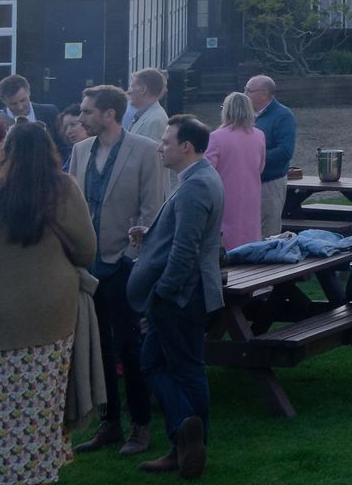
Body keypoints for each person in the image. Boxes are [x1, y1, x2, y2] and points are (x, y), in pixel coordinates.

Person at [0, 122, 96, 485]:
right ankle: (39, 471)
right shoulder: (63, 189)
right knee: (44, 405)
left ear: (7, 151)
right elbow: (86, 251)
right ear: (49, 150)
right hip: (52, 317)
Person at [68, 84, 167, 459]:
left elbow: (152, 208)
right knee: (98, 347)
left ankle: (140, 424)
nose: (81, 117)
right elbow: (73, 205)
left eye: (87, 111)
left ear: (109, 114)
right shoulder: (80, 151)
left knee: (129, 345)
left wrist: (128, 257)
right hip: (87, 267)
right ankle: (109, 423)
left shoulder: (145, 150)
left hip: (123, 265)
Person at [127, 117, 223, 481]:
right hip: (185, 292)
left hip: (182, 296)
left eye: (166, 141)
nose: (159, 147)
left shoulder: (196, 185)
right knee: (157, 363)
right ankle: (184, 443)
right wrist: (151, 233)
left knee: (183, 368)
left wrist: (162, 293)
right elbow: (184, 236)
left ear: (186, 147)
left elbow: (186, 251)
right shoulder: (199, 177)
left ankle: (186, 431)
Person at [203, 92, 266, 251]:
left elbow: (207, 171)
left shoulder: (215, 137)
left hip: (225, 194)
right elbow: (261, 167)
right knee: (249, 233)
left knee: (226, 237)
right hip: (251, 194)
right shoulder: (259, 136)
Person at [245, 76, 296, 240]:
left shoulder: (283, 115)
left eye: (249, 91)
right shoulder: (247, 116)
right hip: (248, 182)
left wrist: (253, 158)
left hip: (270, 182)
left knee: (269, 232)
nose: (245, 94)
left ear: (264, 94)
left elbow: (285, 151)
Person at [125, 69, 168, 142]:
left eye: (132, 86)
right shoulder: (145, 115)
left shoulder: (156, 120)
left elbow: (152, 149)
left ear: (143, 89)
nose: (129, 91)